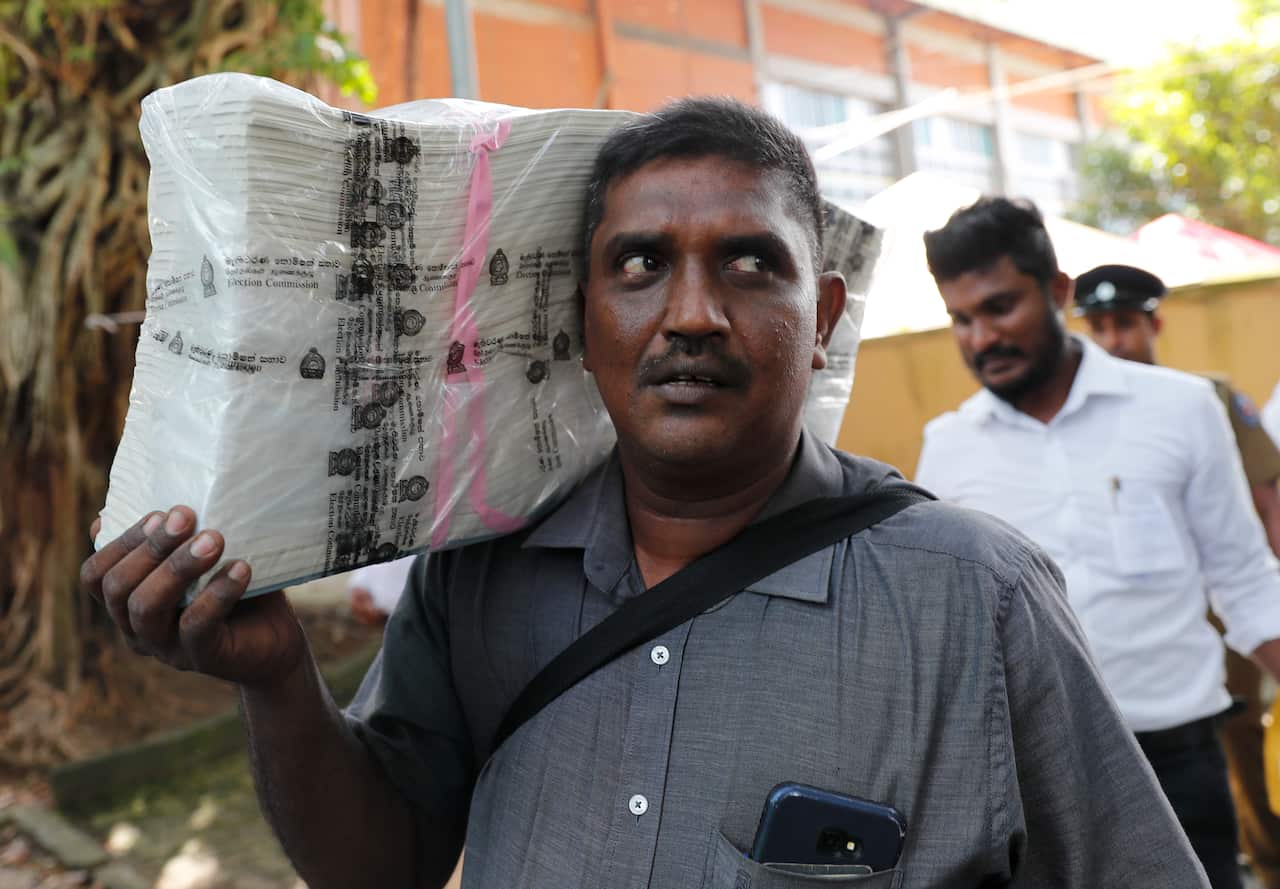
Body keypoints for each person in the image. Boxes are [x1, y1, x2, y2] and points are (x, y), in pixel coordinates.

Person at [81, 100, 1207, 888]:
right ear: (581, 321)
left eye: (747, 264)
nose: (689, 314)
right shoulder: (477, 569)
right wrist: (279, 682)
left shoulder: (974, 596)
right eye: (638, 265)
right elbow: (381, 867)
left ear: (818, 320)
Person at [916, 197, 1280, 889]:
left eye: (999, 308)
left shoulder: (1180, 409)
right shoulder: (948, 449)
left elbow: (1245, 578)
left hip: (1176, 765)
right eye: (961, 319)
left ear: (1056, 291)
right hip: (1026, 783)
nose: (980, 338)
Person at [1073, 262, 1280, 889]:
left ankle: (1265, 865)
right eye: (1101, 327)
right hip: (1135, 625)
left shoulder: (1206, 397)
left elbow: (1267, 498)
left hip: (1219, 609)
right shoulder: (1078, 411)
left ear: (1154, 323)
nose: (1116, 340)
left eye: (1127, 325)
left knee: (1240, 734)